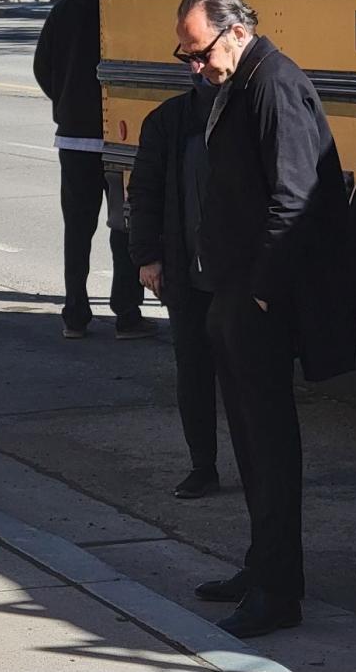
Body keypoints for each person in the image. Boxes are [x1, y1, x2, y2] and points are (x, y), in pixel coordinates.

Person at [173, 0, 356, 639]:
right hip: (231, 291)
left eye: (199, 53)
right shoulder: (236, 83)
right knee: (249, 443)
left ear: (237, 30)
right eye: (185, 58)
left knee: (271, 446)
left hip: (261, 299)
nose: (195, 67)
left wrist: (258, 289)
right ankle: (264, 566)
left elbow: (295, 195)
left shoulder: (274, 83)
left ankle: (279, 590)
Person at [33, 0, 154, 340]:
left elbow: (42, 66)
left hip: (74, 138)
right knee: (123, 226)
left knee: (78, 229)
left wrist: (65, 101)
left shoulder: (66, 8)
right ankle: (126, 313)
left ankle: (75, 314)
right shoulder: (129, 9)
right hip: (119, 136)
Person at [127, 68, 221, 499]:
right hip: (187, 274)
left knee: (246, 377)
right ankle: (203, 466)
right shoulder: (169, 121)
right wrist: (147, 257)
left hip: (236, 277)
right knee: (194, 371)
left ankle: (262, 469)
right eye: (192, 58)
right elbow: (143, 192)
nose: (200, 67)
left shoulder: (248, 116)